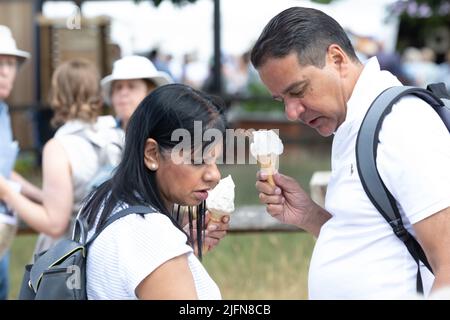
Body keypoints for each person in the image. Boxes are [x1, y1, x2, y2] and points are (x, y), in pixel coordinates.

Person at [251, 7, 450, 299]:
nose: (291, 112)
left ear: (337, 59)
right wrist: (309, 216)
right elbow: (376, 238)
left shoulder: (400, 121)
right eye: (282, 99)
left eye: (298, 90)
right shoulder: (354, 122)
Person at [78, 83, 226, 299]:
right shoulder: (152, 237)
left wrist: (181, 252)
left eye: (215, 160)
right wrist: (168, 254)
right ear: (152, 154)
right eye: (198, 160)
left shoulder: (103, 199)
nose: (214, 175)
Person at [0, 59, 124, 256]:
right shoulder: (116, 136)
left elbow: (54, 224)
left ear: (58, 95)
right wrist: (37, 194)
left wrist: (6, 191)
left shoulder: (59, 148)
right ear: (98, 94)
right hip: (110, 250)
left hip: (71, 261)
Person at [0, 25, 43, 299]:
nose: (5, 71)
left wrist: (41, 195)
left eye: (11, 63)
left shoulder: (3, 111)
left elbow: (5, 170)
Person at [101, 55, 173, 130]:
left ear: (151, 94)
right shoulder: (102, 135)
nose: (123, 93)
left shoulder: (167, 133)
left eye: (132, 86)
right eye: (118, 87)